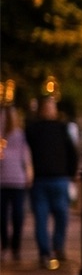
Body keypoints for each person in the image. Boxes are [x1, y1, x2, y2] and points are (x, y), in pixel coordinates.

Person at [24, 96, 77, 270]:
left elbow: (72, 152)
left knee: (62, 214)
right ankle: (45, 252)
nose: (48, 110)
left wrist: (71, 173)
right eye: (46, 107)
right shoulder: (33, 129)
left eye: (51, 106)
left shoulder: (62, 128)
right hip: (40, 180)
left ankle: (58, 247)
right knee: (41, 217)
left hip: (59, 178)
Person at [0, 106, 29, 264]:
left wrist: (29, 172)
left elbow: (25, 155)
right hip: (2, 181)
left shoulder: (20, 135)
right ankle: (5, 245)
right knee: (3, 217)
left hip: (17, 180)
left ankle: (15, 247)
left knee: (18, 215)